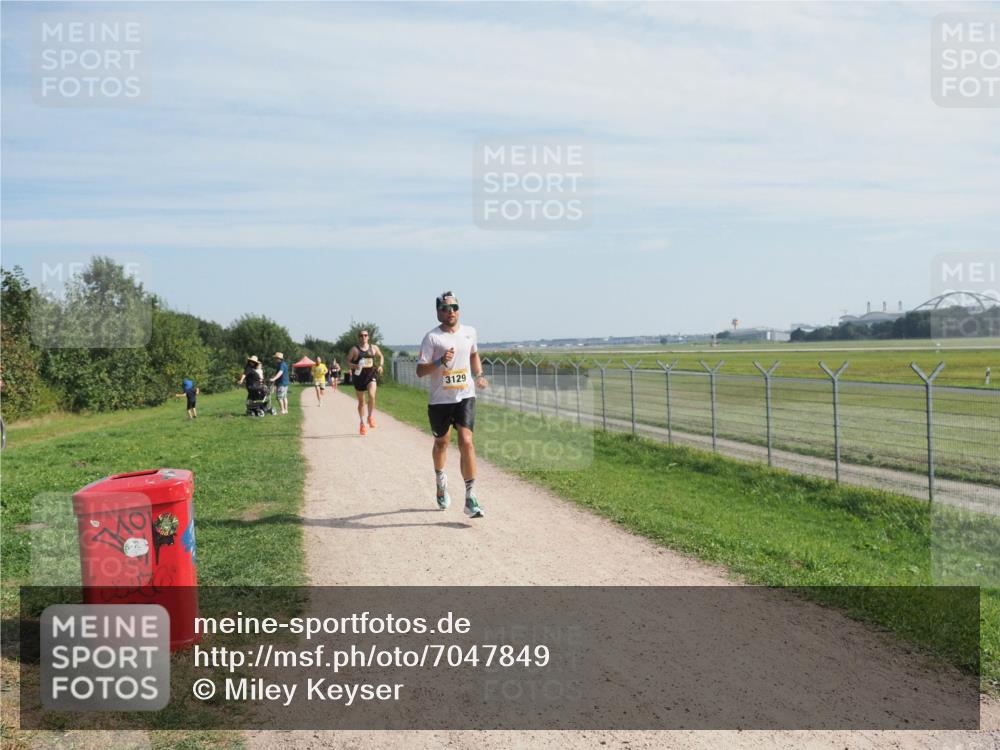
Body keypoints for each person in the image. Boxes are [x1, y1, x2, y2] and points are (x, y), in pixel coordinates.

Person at [416, 291, 487, 518]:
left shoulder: (470, 332)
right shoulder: (432, 338)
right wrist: (439, 361)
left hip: (465, 395)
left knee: (466, 441)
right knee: (441, 443)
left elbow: (474, 355)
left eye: (454, 307)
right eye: (446, 309)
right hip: (440, 400)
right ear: (438, 312)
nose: (451, 312)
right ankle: (440, 480)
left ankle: (470, 497)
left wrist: (480, 374)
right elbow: (420, 371)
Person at [347, 330, 384, 435]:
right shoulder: (355, 350)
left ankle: (370, 417)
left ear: (368, 337)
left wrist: (380, 366)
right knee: (361, 402)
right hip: (359, 378)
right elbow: (348, 362)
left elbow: (381, 356)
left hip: (371, 376)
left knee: (372, 395)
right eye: (361, 335)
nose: (363, 337)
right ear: (359, 337)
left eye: (365, 335)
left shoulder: (373, 348)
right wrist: (355, 366)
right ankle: (362, 423)